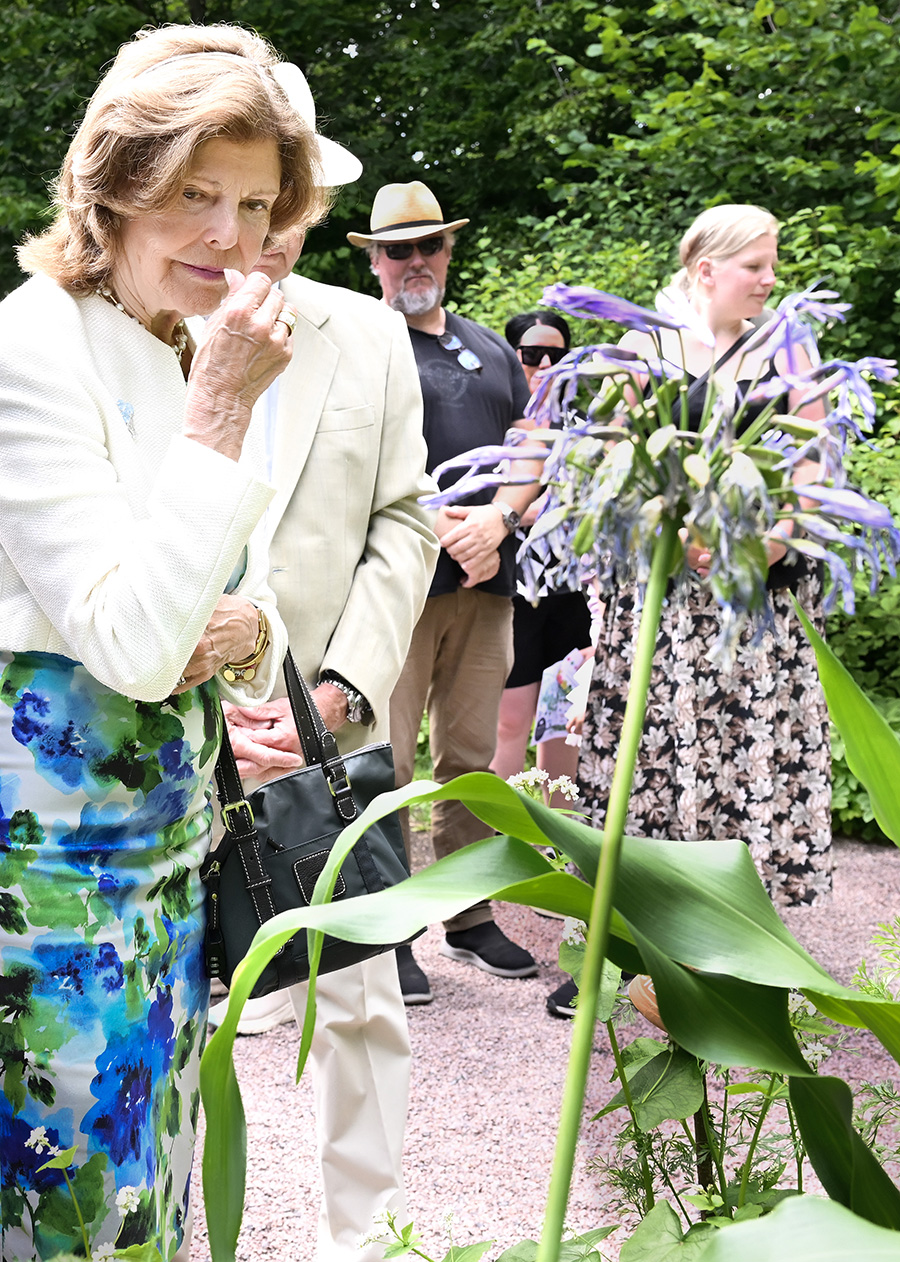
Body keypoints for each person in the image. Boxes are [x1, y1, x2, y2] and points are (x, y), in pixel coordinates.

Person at [0, 23, 329, 1261]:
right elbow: (136, 643)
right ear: (112, 186)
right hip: (55, 882)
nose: (229, 238)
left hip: (168, 864)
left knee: (152, 1188)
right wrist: (227, 405)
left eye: (252, 204)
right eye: (195, 194)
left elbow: (222, 592)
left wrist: (252, 632)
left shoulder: (174, 342)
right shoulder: (30, 346)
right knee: (73, 1201)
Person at [204, 81, 438, 1258]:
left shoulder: (373, 330)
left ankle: (367, 1235)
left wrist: (347, 681)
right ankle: (179, 1227)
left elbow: (406, 520)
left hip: (327, 728)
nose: (281, 218)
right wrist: (195, 713)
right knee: (175, 996)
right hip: (175, 726)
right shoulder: (149, 318)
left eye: (305, 191)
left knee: (361, 996)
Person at [577, 204, 833, 908]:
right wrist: (670, 519)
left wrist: (764, 542)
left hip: (758, 594)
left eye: (771, 264)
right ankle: (636, 943)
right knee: (654, 744)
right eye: (755, 266)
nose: (768, 280)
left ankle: (747, 940)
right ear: (705, 271)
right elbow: (611, 454)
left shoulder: (789, 349)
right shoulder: (644, 347)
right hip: (664, 591)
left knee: (752, 746)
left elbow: (816, 466)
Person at [348, 181, 540, 1004]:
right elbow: (346, 468)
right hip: (395, 592)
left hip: (486, 588)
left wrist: (498, 523)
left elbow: (532, 447)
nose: (415, 260)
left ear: (450, 252)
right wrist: (438, 530)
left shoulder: (492, 349)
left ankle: (468, 915)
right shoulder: (361, 348)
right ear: (375, 263)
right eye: (399, 249)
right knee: (382, 764)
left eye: (429, 244)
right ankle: (389, 927)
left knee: (470, 761)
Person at [490, 311, 592, 805]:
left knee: (562, 723)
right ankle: (500, 842)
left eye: (558, 354)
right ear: (513, 357)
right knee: (510, 721)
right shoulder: (499, 423)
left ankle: (561, 845)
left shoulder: (587, 428)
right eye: (532, 355)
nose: (546, 363)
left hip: (572, 593)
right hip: (513, 590)